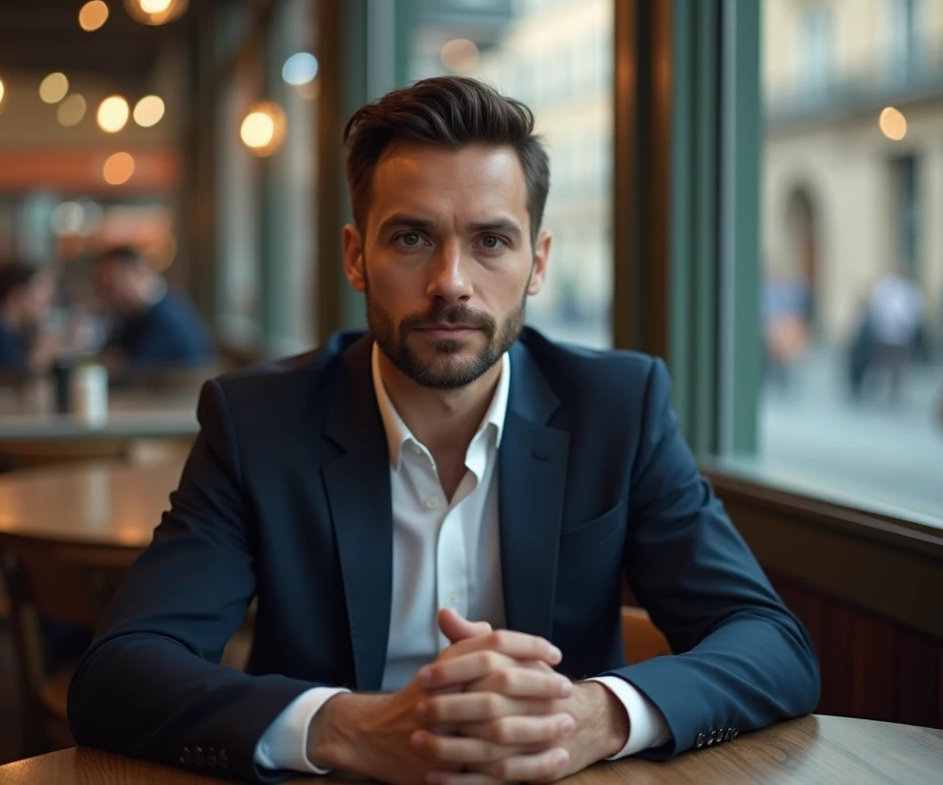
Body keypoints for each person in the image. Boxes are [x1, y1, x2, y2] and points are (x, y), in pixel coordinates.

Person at [67, 77, 819, 783]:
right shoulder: (259, 422)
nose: (451, 282)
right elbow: (120, 672)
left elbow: (771, 643)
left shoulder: (617, 408)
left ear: (538, 262)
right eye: (412, 239)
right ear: (357, 257)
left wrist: (595, 716)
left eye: (491, 241)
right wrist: (350, 728)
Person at [94, 245, 214, 372]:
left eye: (111, 283)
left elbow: (129, 371)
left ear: (135, 274)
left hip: (176, 390)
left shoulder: (164, 318)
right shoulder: (146, 308)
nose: (105, 293)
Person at [866, 261, 924, 402]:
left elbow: (916, 309)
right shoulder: (885, 286)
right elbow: (876, 306)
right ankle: (878, 386)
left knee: (897, 364)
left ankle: (894, 390)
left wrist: (908, 324)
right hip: (885, 333)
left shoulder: (908, 289)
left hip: (901, 334)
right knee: (881, 362)